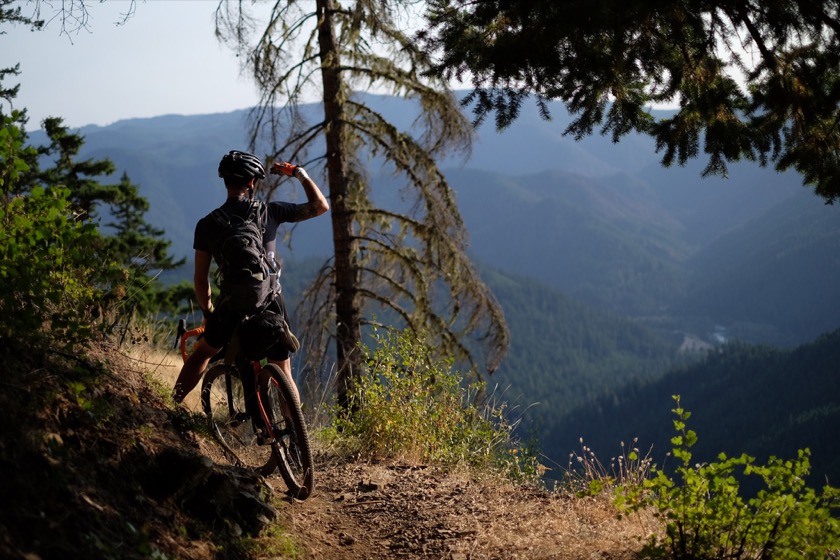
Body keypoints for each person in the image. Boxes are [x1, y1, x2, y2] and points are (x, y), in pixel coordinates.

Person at [172, 150, 329, 405]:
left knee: (203, 353)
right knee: (284, 370)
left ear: (225, 182)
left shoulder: (207, 224)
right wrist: (298, 173)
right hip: (271, 300)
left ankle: (171, 403)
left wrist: (208, 312)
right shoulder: (270, 211)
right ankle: (295, 427)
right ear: (252, 182)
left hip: (232, 302)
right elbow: (320, 206)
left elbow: (201, 280)